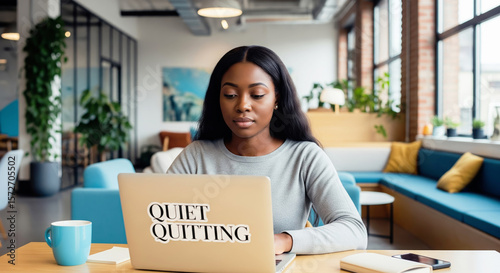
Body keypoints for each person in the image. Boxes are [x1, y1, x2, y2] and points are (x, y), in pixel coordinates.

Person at [167, 45, 367, 254]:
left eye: (257, 94)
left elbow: (354, 231)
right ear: (218, 99)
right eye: (230, 94)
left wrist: (284, 241)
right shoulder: (195, 155)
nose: (243, 105)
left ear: (277, 99)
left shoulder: (305, 157)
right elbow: (155, 223)